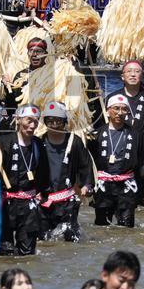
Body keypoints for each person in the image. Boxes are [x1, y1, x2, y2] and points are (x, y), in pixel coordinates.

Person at [0, 105, 51, 256]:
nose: (32, 126)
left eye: (35, 122)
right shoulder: (4, 142)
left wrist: (44, 193)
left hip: (28, 205)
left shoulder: (38, 144)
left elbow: (44, 172)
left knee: (27, 251)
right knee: (5, 251)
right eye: (28, 121)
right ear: (18, 120)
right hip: (6, 203)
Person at [88, 94, 144, 227]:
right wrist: (88, 184)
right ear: (108, 111)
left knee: (126, 227)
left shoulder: (136, 134)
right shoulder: (96, 135)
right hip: (104, 185)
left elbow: (143, 163)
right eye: (116, 108)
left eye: (124, 109)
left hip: (126, 185)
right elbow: (89, 163)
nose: (120, 113)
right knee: (102, 226)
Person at [38, 101, 90, 243]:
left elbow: (85, 165)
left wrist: (86, 185)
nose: (54, 125)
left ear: (65, 122)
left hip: (67, 200)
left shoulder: (74, 141)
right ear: (45, 122)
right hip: (45, 199)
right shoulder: (39, 142)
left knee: (70, 237)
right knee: (44, 238)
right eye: (50, 121)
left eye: (58, 121)